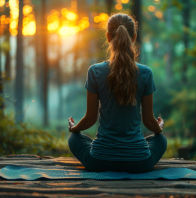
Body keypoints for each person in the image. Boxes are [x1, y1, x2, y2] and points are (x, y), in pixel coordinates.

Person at [68, 13, 167, 173]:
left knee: (75, 139)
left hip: (100, 161)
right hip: (140, 163)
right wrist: (159, 127)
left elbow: (91, 119)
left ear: (108, 37)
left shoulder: (95, 72)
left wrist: (74, 128)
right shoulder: (146, 73)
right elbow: (149, 121)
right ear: (134, 37)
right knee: (160, 139)